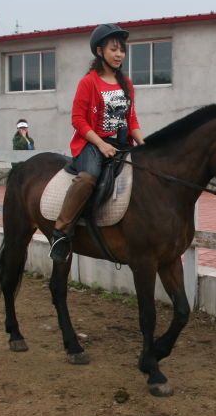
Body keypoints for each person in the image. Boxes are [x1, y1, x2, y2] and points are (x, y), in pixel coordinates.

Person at [49, 23, 145, 262]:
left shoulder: (127, 83)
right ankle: (61, 232)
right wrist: (101, 144)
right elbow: (77, 119)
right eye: (114, 49)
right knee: (88, 177)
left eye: (122, 50)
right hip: (90, 144)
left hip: (121, 144)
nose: (119, 54)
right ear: (100, 51)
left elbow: (131, 119)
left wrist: (144, 145)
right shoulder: (88, 82)